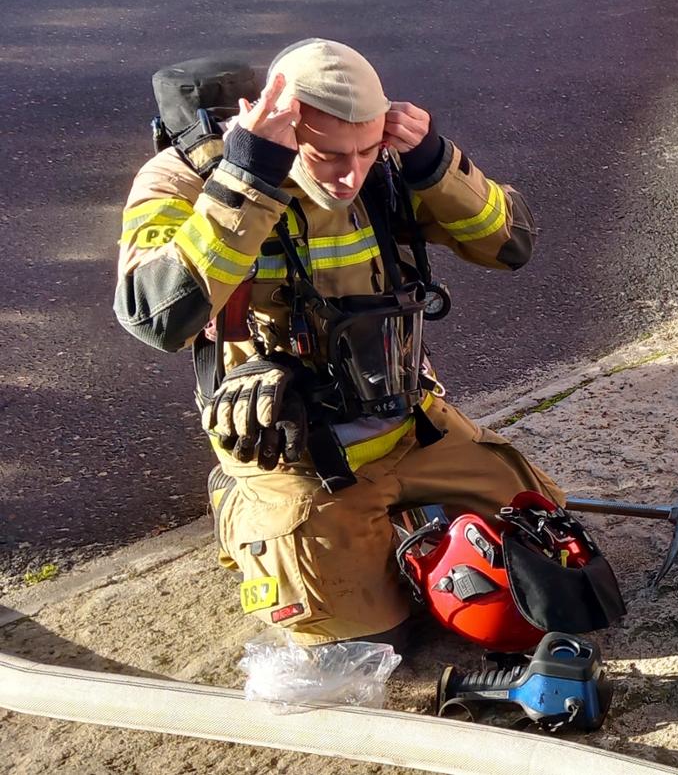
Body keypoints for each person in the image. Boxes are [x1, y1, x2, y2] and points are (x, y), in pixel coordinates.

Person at [115, 39, 561, 646]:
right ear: (284, 127)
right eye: (326, 155)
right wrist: (250, 180)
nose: (351, 175)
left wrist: (431, 160)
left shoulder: (387, 168)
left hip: (407, 421)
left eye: (366, 148)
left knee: (551, 563)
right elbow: (154, 315)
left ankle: (393, 519)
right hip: (293, 449)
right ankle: (241, 507)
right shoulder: (187, 180)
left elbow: (510, 245)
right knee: (373, 649)